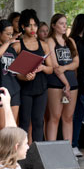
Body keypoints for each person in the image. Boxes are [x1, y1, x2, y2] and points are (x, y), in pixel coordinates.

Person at [17, 9, 53, 143]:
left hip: (41, 87)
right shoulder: (17, 45)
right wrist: (24, 76)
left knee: (38, 121)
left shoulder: (43, 45)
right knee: (24, 122)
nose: (33, 29)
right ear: (22, 26)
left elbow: (50, 69)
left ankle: (38, 152)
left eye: (35, 25)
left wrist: (42, 67)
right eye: (29, 25)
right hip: (25, 88)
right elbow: (15, 72)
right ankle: (23, 151)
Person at [46, 14, 79, 146]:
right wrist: (65, 83)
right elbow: (55, 66)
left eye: (66, 23)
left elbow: (76, 62)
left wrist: (65, 68)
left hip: (72, 83)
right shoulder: (50, 41)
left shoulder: (70, 41)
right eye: (61, 23)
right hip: (56, 84)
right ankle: (52, 149)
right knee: (55, 117)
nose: (64, 26)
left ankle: (68, 148)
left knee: (68, 117)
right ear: (53, 25)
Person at [69, 14, 84, 158]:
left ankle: (75, 144)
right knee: (81, 115)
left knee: (77, 116)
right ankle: (78, 145)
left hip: (79, 82)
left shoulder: (78, 41)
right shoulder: (79, 42)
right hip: (81, 82)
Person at [0, 20, 21, 132]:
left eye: (11, 34)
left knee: (12, 126)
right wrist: (8, 42)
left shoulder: (11, 49)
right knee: (1, 127)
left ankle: (11, 150)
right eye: (7, 34)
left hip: (14, 88)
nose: (10, 37)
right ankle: (0, 150)